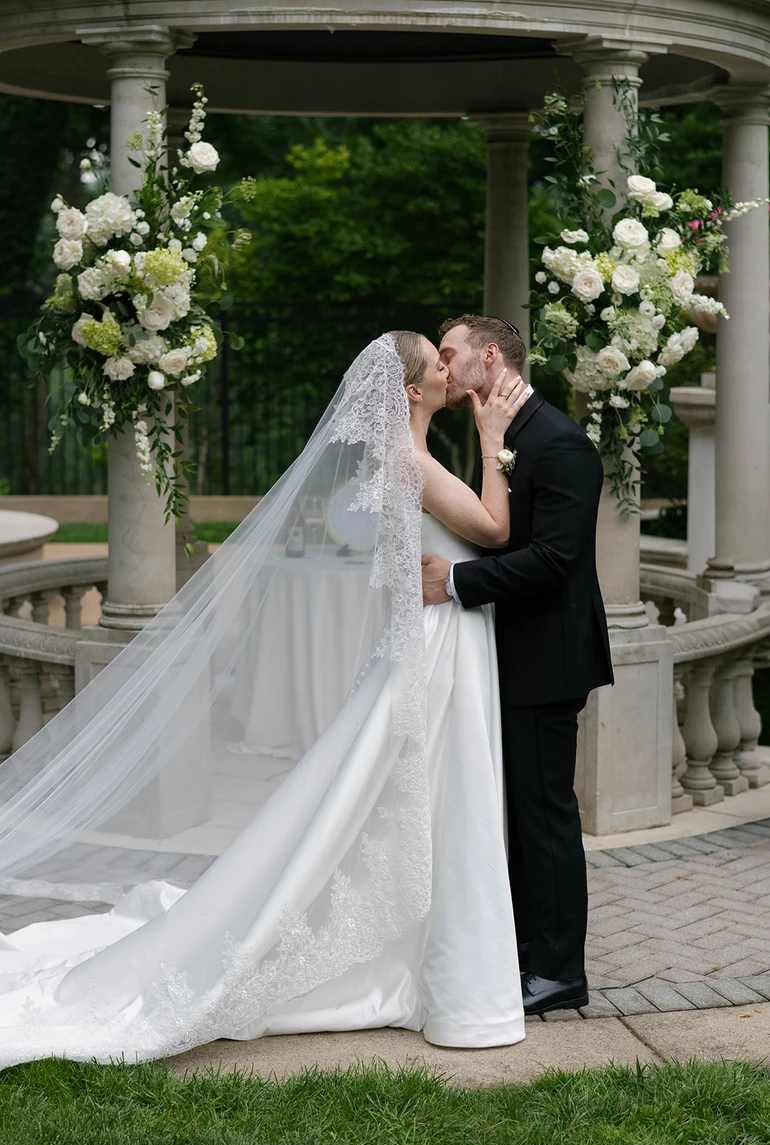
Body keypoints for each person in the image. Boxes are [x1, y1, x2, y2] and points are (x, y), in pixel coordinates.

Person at [0, 331, 531, 1069]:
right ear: (412, 391)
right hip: (435, 650)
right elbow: (496, 529)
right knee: (403, 801)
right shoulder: (412, 461)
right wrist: (493, 433)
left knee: (389, 803)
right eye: (435, 362)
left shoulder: (404, 458)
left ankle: (422, 956)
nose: (449, 369)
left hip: (435, 644)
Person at [422, 314, 614, 1016]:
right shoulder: (500, 435)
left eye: (450, 354)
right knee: (519, 811)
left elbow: (556, 559)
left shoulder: (560, 442)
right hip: (508, 652)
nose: (443, 368)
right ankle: (527, 952)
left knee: (545, 814)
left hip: (548, 656)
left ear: (490, 355)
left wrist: (457, 583)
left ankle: (560, 971)